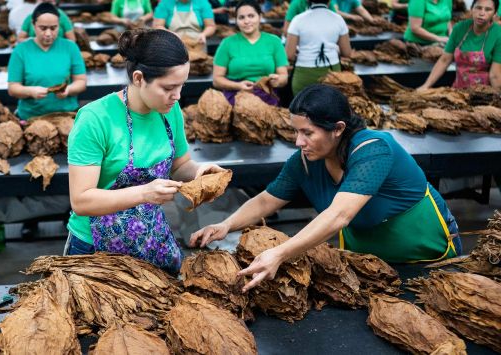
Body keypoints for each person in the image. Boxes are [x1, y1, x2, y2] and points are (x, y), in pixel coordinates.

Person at [191, 84, 461, 291]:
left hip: (425, 257)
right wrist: (226, 225)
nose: (298, 142)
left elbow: (339, 215)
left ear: (338, 128)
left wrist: (280, 253)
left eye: (307, 133)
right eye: (296, 131)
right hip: (369, 265)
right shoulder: (306, 161)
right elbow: (266, 201)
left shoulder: (374, 149)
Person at [65, 28, 224, 273]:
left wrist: (200, 171)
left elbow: (180, 166)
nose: (177, 95)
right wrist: (144, 193)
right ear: (139, 78)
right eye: (169, 87)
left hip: (151, 238)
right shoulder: (95, 118)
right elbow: (82, 200)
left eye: (182, 85)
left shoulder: (170, 111)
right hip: (96, 250)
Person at [7, 3, 87, 120]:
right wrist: (30, 91)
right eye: (43, 28)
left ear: (59, 26)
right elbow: (13, 87)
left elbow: (81, 81)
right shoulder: (21, 50)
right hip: (31, 116)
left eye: (53, 28)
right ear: (33, 25)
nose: (48, 33)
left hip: (66, 115)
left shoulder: (70, 47)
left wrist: (68, 90)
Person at [213, 0, 289, 106]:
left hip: (267, 97)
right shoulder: (227, 43)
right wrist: (238, 86)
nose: (246, 21)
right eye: (241, 17)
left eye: (251, 16)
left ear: (260, 16)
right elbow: (217, 79)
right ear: (236, 20)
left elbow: (283, 76)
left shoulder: (274, 41)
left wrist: (277, 81)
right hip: (235, 97)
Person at [419, 0, 501, 89]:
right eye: (478, 8)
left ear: (495, 13)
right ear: (471, 9)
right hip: (459, 91)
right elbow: (444, 60)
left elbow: (495, 75)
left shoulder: (498, 34)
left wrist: (497, 98)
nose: (481, 13)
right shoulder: (459, 28)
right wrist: (425, 86)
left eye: (488, 10)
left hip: (483, 94)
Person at [285, 0, 351, 95]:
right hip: (332, 74)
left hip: (304, 73)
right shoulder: (338, 19)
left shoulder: (298, 20)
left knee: (302, 107)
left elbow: (289, 55)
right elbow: (347, 53)